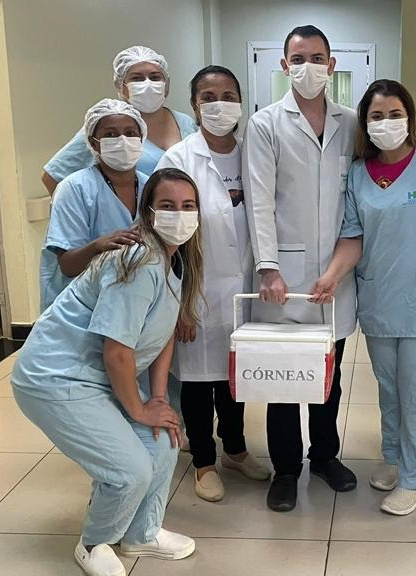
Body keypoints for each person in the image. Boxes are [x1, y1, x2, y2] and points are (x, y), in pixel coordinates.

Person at [12, 168, 205, 576]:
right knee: (128, 470)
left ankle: (141, 533)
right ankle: (93, 542)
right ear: (148, 212)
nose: (179, 214)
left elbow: (164, 334)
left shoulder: (177, 261)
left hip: (98, 377)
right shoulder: (139, 261)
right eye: (168, 205)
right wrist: (138, 410)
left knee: (164, 440)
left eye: (188, 206)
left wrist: (158, 400)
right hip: (57, 377)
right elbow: (117, 352)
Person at [312, 80, 416, 515]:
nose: (386, 123)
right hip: (380, 298)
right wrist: (331, 276)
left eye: (395, 114)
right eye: (376, 116)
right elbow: (353, 236)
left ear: (410, 117)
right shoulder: (358, 173)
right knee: (389, 388)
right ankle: (395, 455)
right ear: (365, 124)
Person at [244, 24, 358, 513]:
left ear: (331, 65)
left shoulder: (351, 122)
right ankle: (287, 469)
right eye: (298, 58)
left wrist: (340, 267)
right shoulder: (265, 123)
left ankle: (325, 456)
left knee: (329, 376)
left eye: (316, 58)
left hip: (337, 272)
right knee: (284, 379)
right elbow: (259, 200)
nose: (307, 67)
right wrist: (269, 267)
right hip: (284, 278)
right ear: (284, 66)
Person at [155, 65, 269, 502]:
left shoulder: (254, 153)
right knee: (199, 383)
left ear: (241, 102)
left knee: (236, 378)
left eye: (228, 95)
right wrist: (180, 304)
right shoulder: (179, 159)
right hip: (197, 291)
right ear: (194, 105)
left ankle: (235, 450)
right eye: (208, 97)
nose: (219, 104)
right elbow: (166, 238)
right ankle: (204, 461)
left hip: (246, 289)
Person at [41, 46, 198, 195]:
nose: (148, 84)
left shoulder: (185, 123)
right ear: (122, 86)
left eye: (155, 77)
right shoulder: (106, 127)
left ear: (166, 83)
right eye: (137, 78)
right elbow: (52, 177)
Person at [39, 98, 147, 311]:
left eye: (130, 133)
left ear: (141, 139)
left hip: (131, 303)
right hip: (80, 309)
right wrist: (98, 246)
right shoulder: (74, 188)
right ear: (94, 142)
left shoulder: (150, 187)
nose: (122, 140)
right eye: (110, 134)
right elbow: (68, 266)